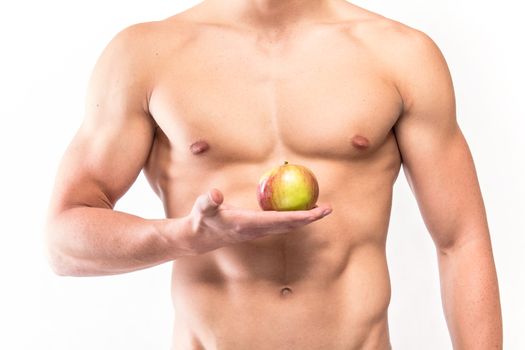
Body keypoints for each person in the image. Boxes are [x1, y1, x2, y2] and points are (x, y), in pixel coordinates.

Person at [45, 0, 503, 348]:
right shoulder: (146, 55)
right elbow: (64, 243)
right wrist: (184, 236)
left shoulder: (399, 54)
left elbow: (460, 240)